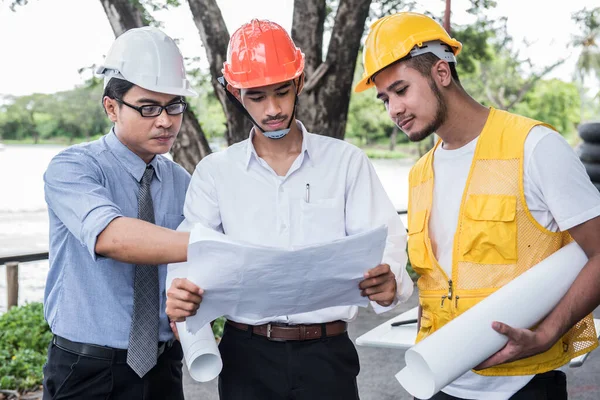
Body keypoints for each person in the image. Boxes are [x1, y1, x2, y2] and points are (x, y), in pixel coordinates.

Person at [355, 11, 600, 400]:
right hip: (441, 379)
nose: (393, 110)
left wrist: (548, 332)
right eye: (385, 98)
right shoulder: (421, 174)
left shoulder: (533, 147)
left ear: (441, 73)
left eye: (401, 90)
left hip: (524, 385)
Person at [165, 19, 414, 400]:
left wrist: (390, 279)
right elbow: (188, 252)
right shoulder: (216, 173)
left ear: (299, 82)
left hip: (327, 356)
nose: (273, 109)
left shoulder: (346, 162)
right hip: (245, 357)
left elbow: (387, 243)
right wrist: (180, 291)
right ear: (235, 92)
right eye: (257, 97)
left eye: (282, 92)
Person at [42, 26, 197, 399]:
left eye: (174, 105)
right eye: (148, 108)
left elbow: (188, 266)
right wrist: (223, 246)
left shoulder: (181, 180)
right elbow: (113, 237)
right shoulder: (73, 167)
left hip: (163, 367)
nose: (165, 120)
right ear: (111, 107)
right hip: (86, 370)